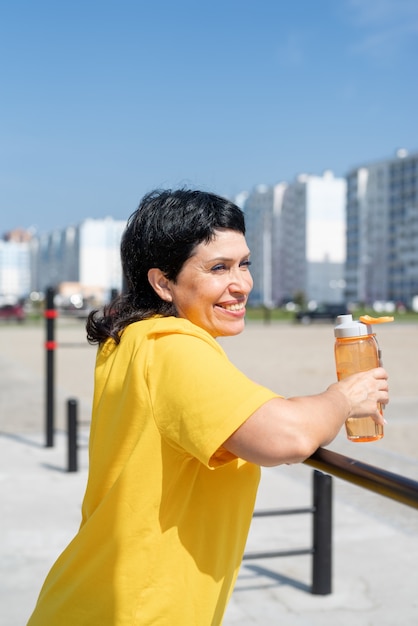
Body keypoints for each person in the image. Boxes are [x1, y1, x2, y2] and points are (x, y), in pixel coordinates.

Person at [27, 189, 389, 626]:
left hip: (95, 601)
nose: (241, 284)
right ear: (163, 282)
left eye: (244, 263)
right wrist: (345, 397)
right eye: (218, 268)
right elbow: (286, 436)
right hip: (131, 611)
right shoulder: (171, 348)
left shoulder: (134, 337)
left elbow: (240, 419)